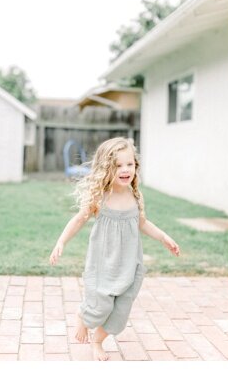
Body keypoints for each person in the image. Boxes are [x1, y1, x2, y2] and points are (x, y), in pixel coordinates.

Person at [48, 137, 180, 361]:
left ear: (135, 166)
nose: (125, 169)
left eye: (129, 164)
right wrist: (61, 241)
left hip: (130, 265)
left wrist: (163, 237)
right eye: (118, 165)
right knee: (101, 306)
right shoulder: (100, 197)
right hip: (104, 263)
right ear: (106, 168)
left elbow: (142, 223)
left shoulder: (135, 196)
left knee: (120, 314)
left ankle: (97, 340)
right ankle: (84, 315)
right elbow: (79, 220)